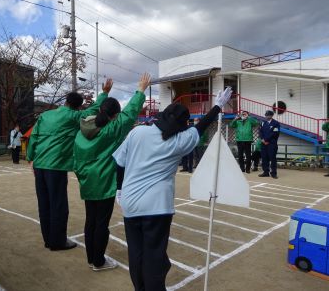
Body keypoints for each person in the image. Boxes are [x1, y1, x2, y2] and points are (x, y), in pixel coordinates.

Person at [113, 87, 233, 291]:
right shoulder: (179, 141)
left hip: (130, 203)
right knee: (154, 255)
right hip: (157, 206)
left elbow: (120, 163)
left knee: (136, 252)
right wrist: (217, 106)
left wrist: (119, 190)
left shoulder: (138, 132)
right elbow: (201, 127)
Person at [74, 73, 151, 271]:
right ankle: (98, 261)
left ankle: (91, 257)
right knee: (101, 223)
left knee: (90, 220)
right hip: (104, 181)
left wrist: (103, 94)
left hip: (86, 180)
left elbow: (93, 110)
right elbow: (129, 114)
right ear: (114, 115)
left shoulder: (83, 125)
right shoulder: (110, 131)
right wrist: (141, 90)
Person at [26, 80, 112, 251]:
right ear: (78, 107)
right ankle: (57, 242)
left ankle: (48, 239)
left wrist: (30, 158)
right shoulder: (73, 116)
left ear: (65, 101)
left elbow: (34, 136)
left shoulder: (44, 115)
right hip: (56, 166)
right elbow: (94, 110)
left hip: (39, 165)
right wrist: (104, 92)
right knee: (58, 204)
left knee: (44, 204)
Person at [259, 110, 280, 179]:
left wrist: (267, 140)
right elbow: (260, 132)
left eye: (268, 115)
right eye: (266, 115)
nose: (267, 116)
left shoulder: (276, 123)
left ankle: (273, 173)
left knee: (272, 158)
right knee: (264, 158)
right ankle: (266, 172)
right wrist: (262, 139)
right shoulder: (263, 123)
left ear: (271, 116)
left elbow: (275, 133)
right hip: (263, 144)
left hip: (272, 143)